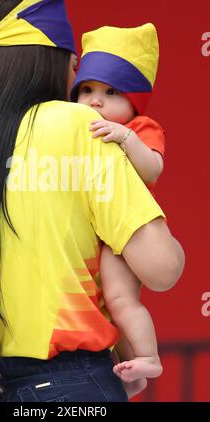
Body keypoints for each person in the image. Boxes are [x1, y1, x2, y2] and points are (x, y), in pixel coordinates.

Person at [0, 0, 184, 403]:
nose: (80, 75)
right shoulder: (83, 127)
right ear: (53, 61)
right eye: (75, 61)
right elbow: (162, 269)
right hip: (69, 387)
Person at [70, 24, 171, 389]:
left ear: (133, 102)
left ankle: (148, 357)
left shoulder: (141, 127)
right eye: (87, 90)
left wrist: (127, 138)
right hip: (87, 233)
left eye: (111, 92)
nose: (96, 101)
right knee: (103, 307)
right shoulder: (71, 129)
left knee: (119, 297)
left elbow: (153, 169)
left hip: (124, 234)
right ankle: (130, 372)